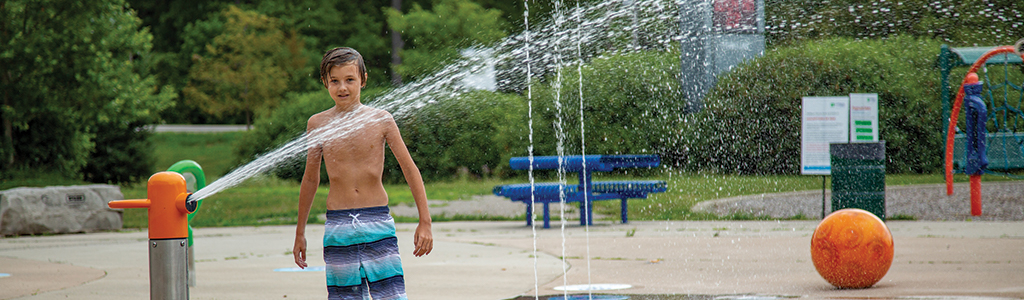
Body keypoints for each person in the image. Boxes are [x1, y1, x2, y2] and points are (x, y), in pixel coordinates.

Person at [294, 47, 432, 300]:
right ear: (324, 82)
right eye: (334, 81)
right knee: (345, 296)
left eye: (349, 80)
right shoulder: (317, 124)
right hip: (338, 225)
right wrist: (299, 232)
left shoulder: (381, 120)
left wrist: (425, 221)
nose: (342, 87)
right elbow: (311, 179)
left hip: (377, 221)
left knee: (390, 295)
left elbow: (409, 169)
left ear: (363, 80)